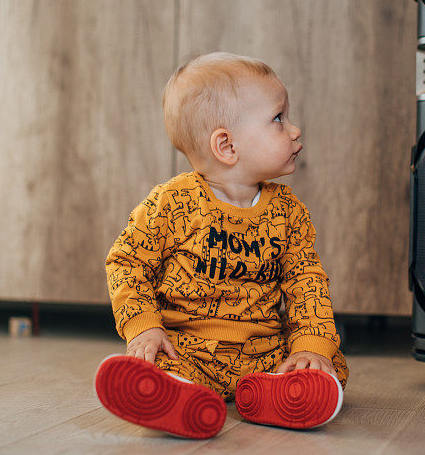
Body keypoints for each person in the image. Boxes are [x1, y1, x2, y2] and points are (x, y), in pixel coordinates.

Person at [94, 52, 348, 439]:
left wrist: (309, 345)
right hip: (187, 350)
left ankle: (266, 394)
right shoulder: (172, 203)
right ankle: (180, 397)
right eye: (278, 119)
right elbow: (127, 260)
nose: (294, 130)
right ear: (227, 146)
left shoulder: (289, 212)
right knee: (155, 363)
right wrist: (142, 327)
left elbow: (306, 282)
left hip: (264, 349)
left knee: (330, 363)